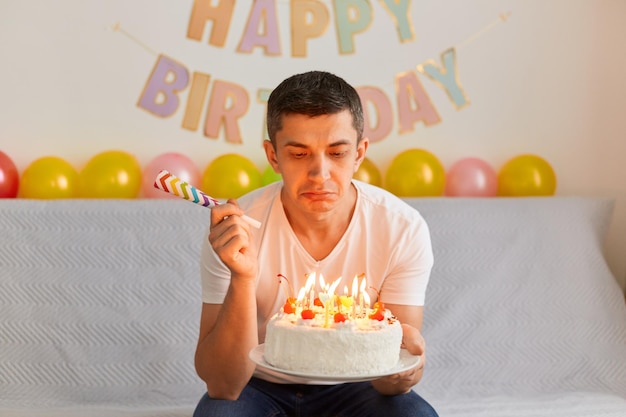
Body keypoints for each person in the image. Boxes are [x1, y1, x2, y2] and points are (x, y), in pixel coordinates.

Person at [193, 70, 438, 417]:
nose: (319, 174)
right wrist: (243, 277)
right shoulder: (235, 231)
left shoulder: (401, 228)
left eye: (337, 153)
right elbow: (223, 385)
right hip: (258, 387)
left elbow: (390, 375)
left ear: (359, 153)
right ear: (273, 156)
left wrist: (405, 370)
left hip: (359, 385)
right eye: (298, 154)